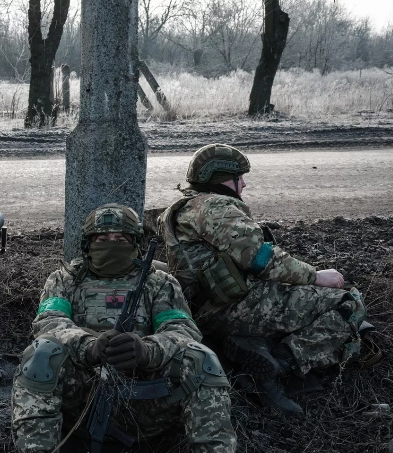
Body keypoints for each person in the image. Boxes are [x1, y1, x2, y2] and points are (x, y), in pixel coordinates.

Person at [11, 204, 239, 453]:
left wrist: (146, 350)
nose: (110, 244)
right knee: (39, 356)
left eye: (120, 238)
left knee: (202, 359)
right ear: (87, 244)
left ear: (136, 243)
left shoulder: (159, 282)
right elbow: (49, 324)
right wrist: (89, 345)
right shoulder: (65, 279)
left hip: (145, 400)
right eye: (101, 238)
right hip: (83, 399)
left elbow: (182, 330)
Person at [158, 143, 376, 415]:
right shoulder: (215, 208)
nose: (244, 184)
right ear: (223, 179)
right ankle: (277, 367)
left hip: (208, 307)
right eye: (240, 177)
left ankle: (254, 346)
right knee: (349, 303)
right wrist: (315, 276)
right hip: (235, 307)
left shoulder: (181, 209)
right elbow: (261, 259)